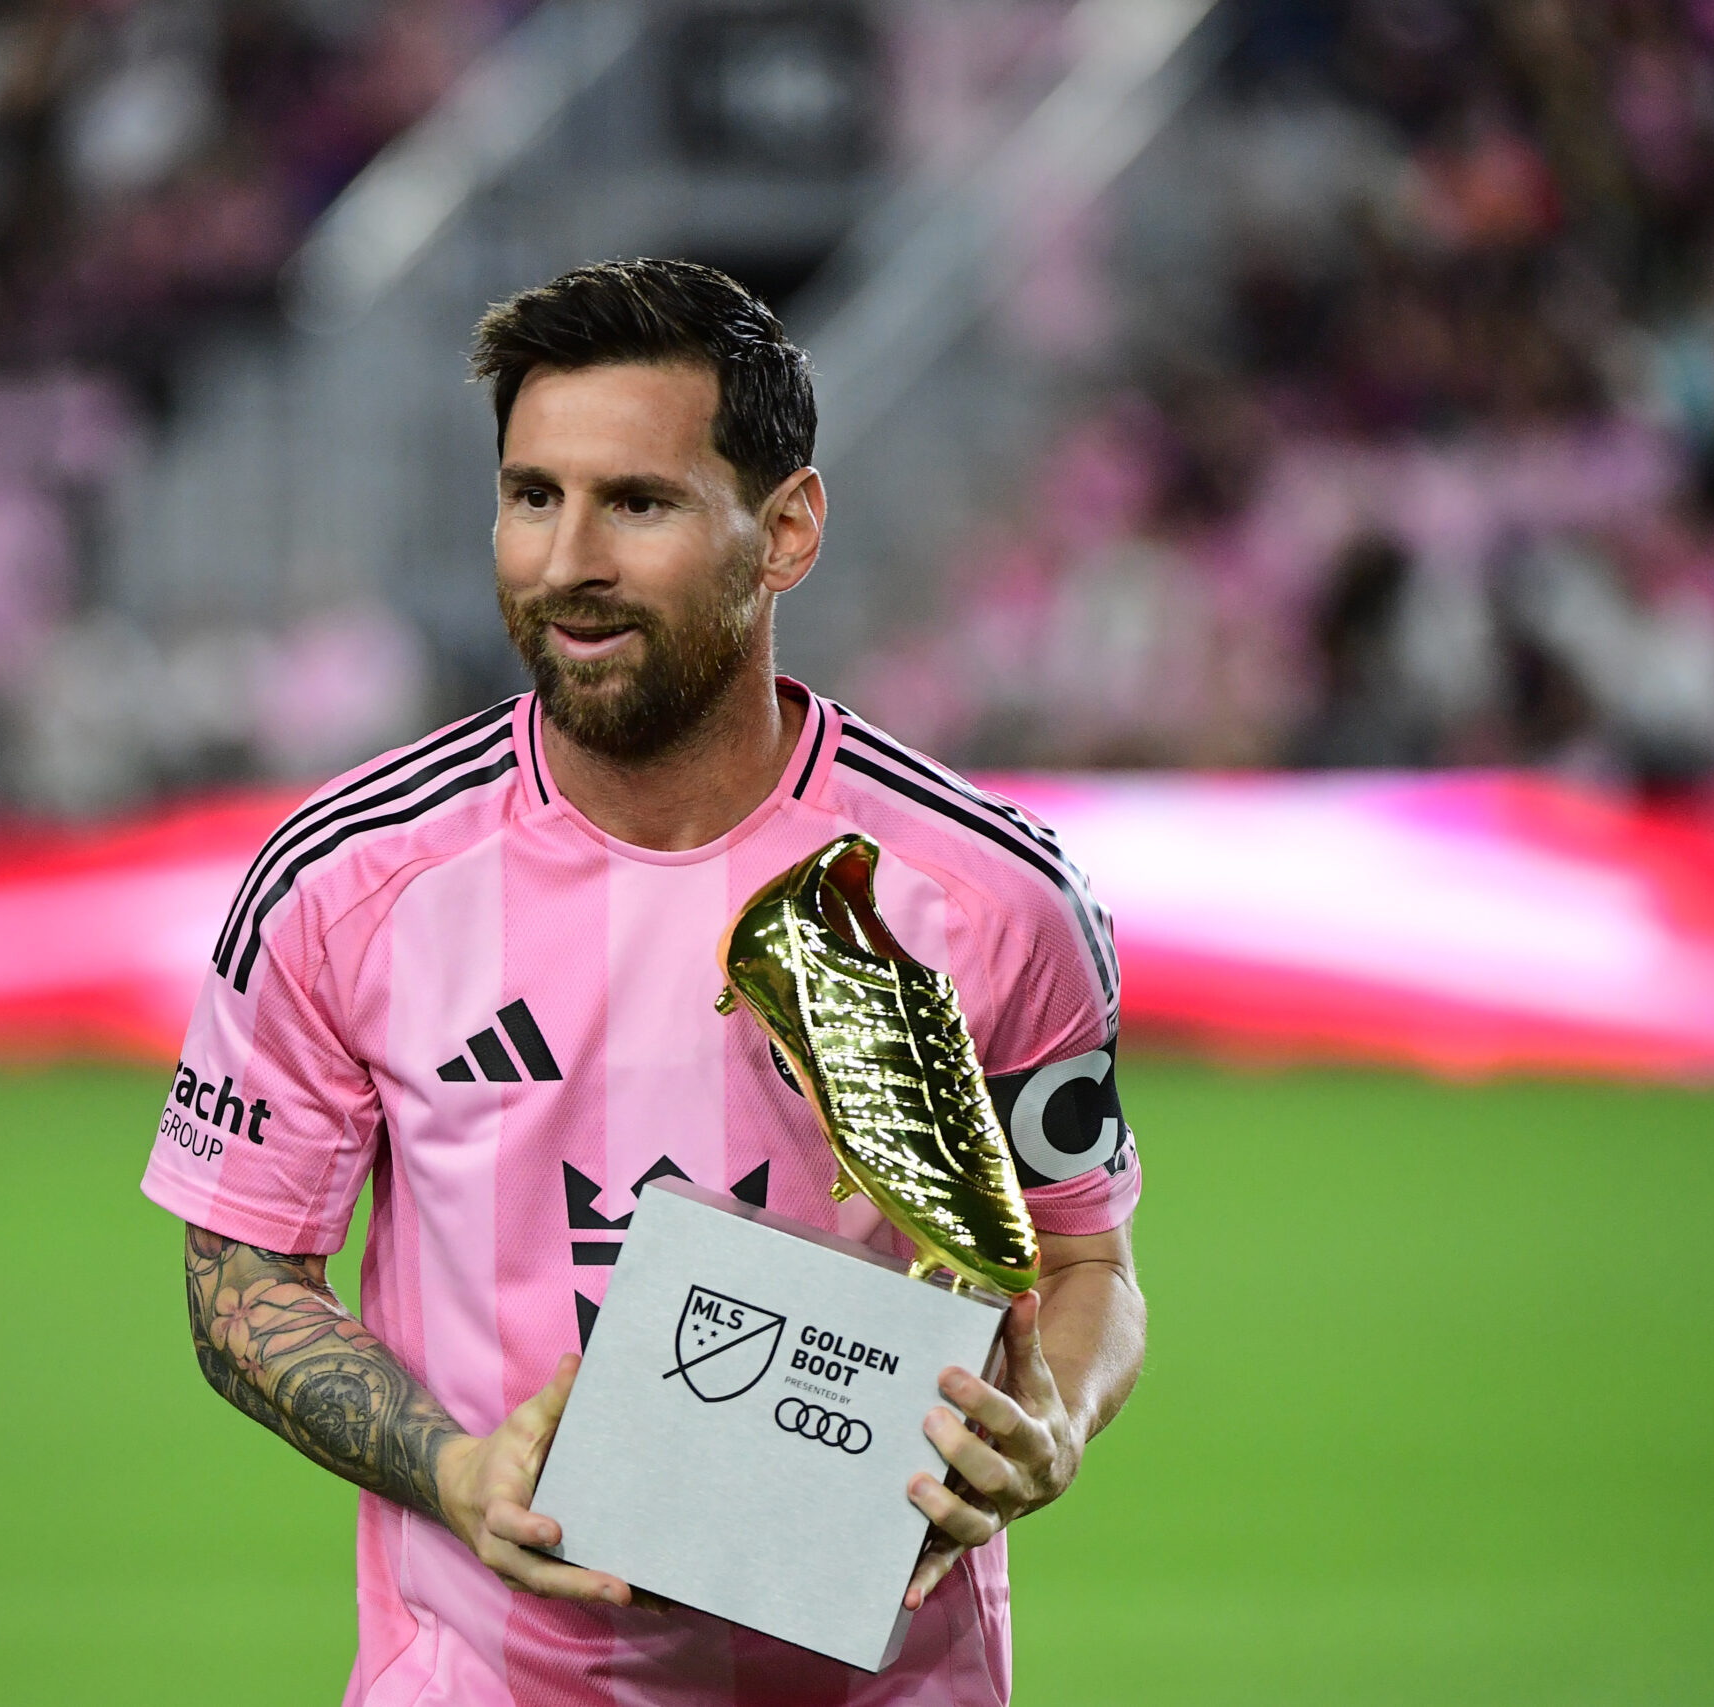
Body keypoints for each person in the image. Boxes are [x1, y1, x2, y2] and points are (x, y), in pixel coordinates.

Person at [141, 258, 1146, 1705]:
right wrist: (458, 1470)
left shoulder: (990, 899)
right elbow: (240, 1278)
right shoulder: (344, 881)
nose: (567, 563)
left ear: (786, 529)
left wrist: (1055, 1419)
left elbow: (1088, 1264)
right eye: (534, 496)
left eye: (641, 503)